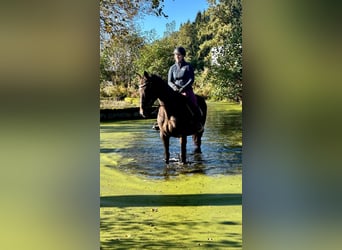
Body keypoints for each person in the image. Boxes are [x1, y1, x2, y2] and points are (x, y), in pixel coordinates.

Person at [167, 46, 203, 133]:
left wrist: (183, 88)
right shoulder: (172, 68)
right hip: (175, 91)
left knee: (193, 102)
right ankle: (159, 122)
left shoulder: (188, 66)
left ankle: (198, 123)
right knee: (165, 103)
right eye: (175, 55)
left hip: (186, 90)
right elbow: (169, 81)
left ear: (183, 56)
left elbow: (191, 80)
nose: (177, 56)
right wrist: (175, 88)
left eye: (179, 55)